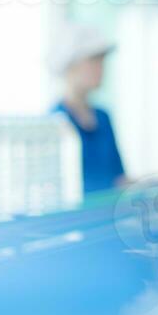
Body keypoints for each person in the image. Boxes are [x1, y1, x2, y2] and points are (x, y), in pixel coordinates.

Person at [50, 22, 127, 194]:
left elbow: (118, 180)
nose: (101, 69)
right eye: (93, 62)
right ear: (69, 65)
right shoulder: (55, 122)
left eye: (102, 61)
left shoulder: (103, 117)